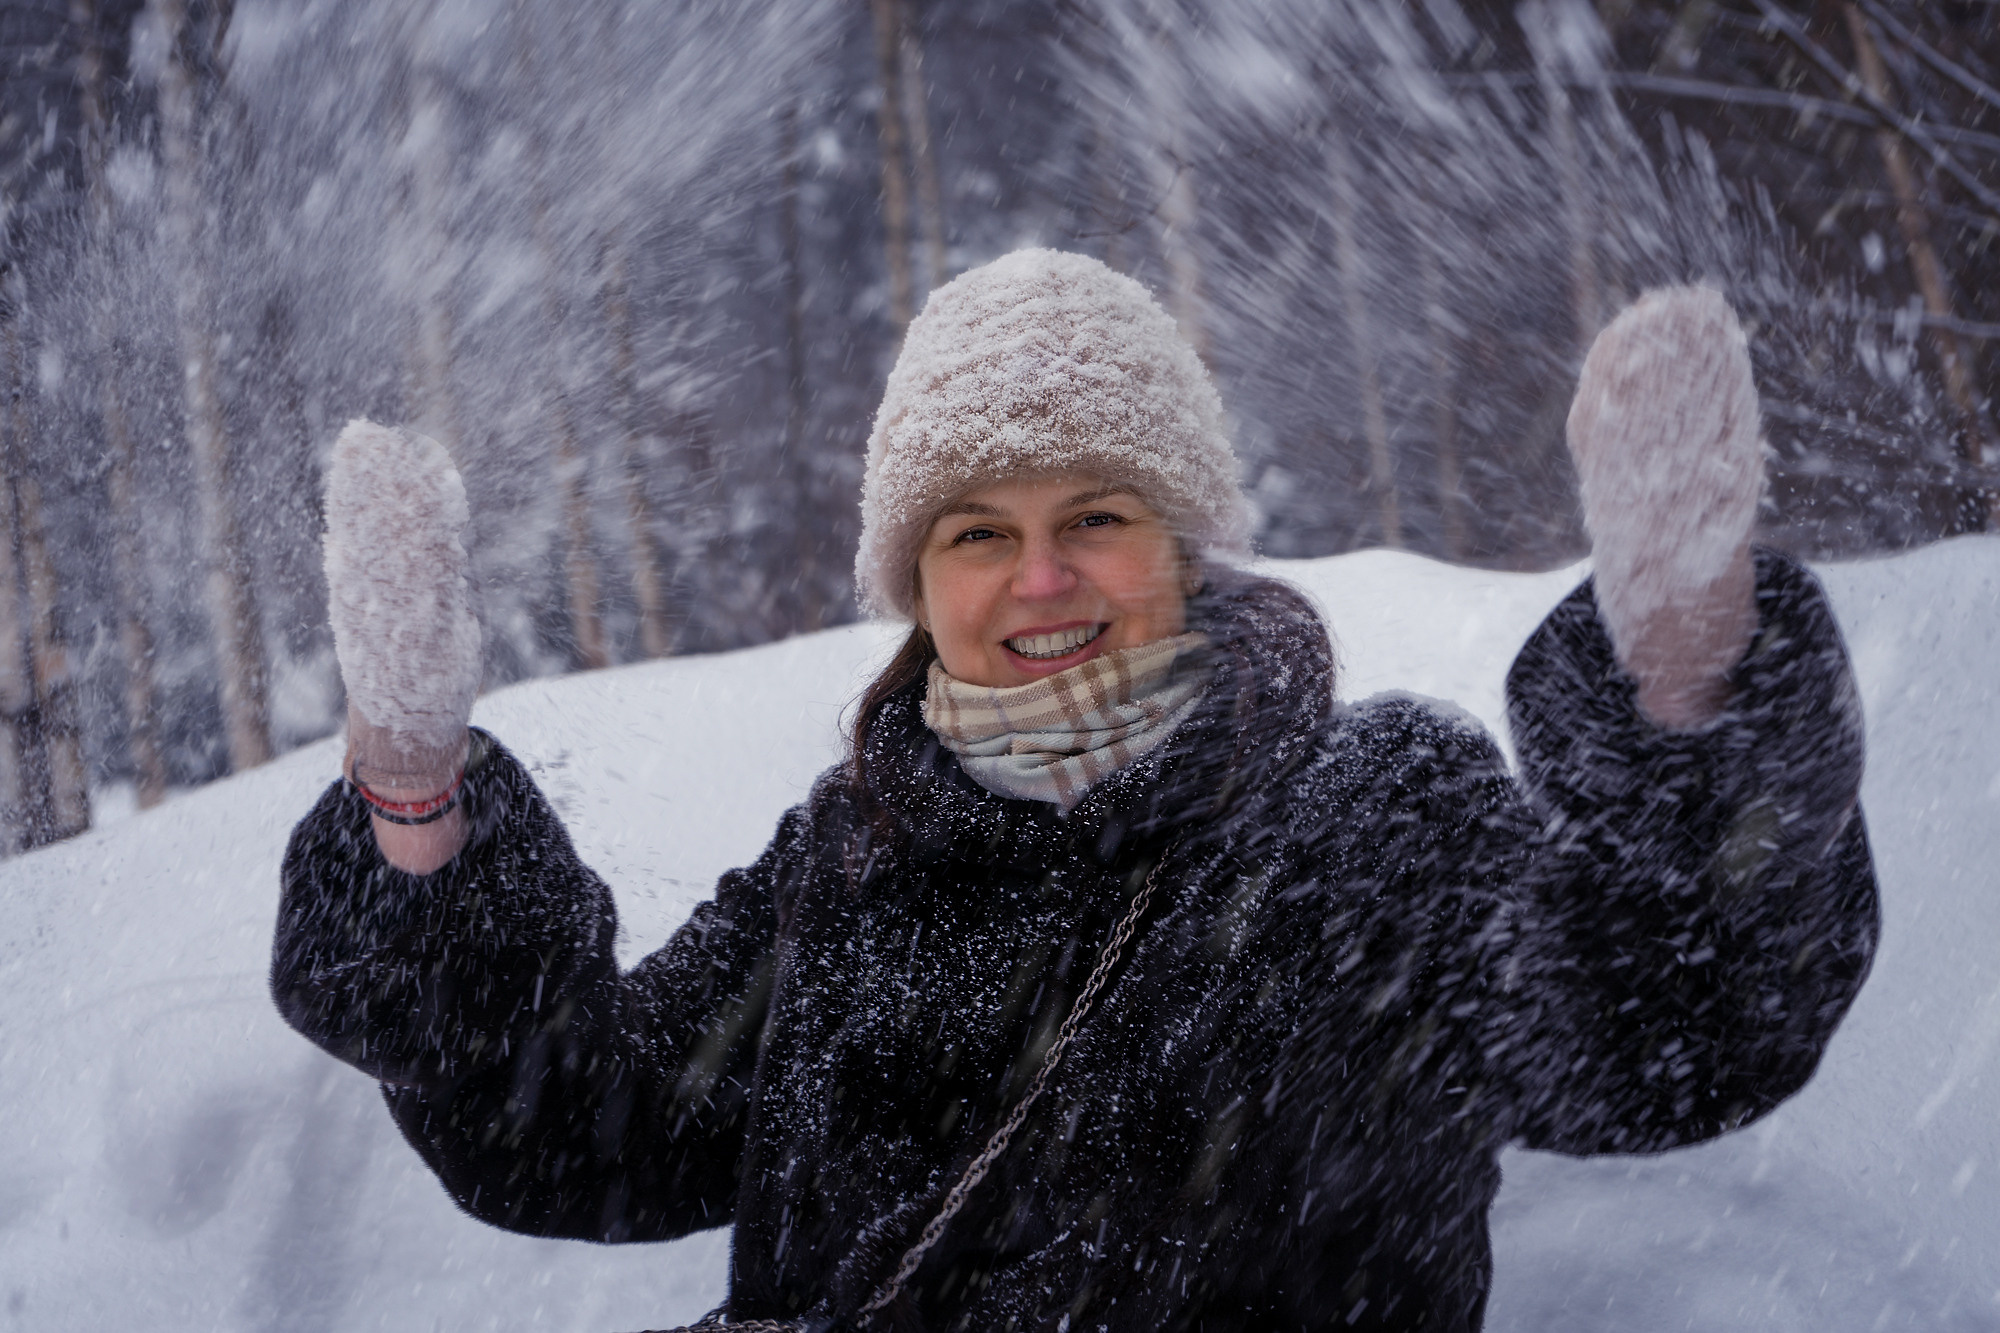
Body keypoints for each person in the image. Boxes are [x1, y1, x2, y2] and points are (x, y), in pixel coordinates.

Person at [272, 249, 1877, 1333]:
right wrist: (418, 797)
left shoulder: (1377, 816)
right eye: (978, 530)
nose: (1041, 578)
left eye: (1095, 513)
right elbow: (580, 1137)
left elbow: (1687, 1028)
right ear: (918, 581)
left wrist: (1685, 671)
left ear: (1182, 542)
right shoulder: (850, 859)